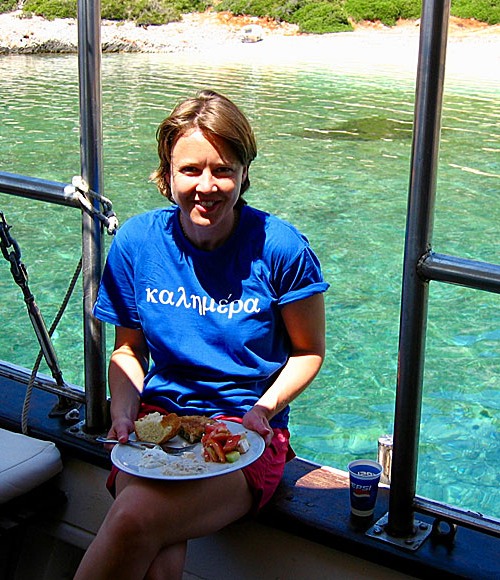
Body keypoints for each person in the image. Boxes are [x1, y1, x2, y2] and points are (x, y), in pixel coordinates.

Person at [74, 89, 329, 580]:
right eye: (190, 170)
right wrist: (124, 414)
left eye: (223, 169)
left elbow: (308, 352)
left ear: (244, 172)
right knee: (160, 563)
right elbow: (128, 350)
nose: (207, 186)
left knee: (132, 518)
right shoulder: (137, 243)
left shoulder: (281, 248)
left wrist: (263, 411)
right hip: (157, 426)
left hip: (246, 434)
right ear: (166, 176)